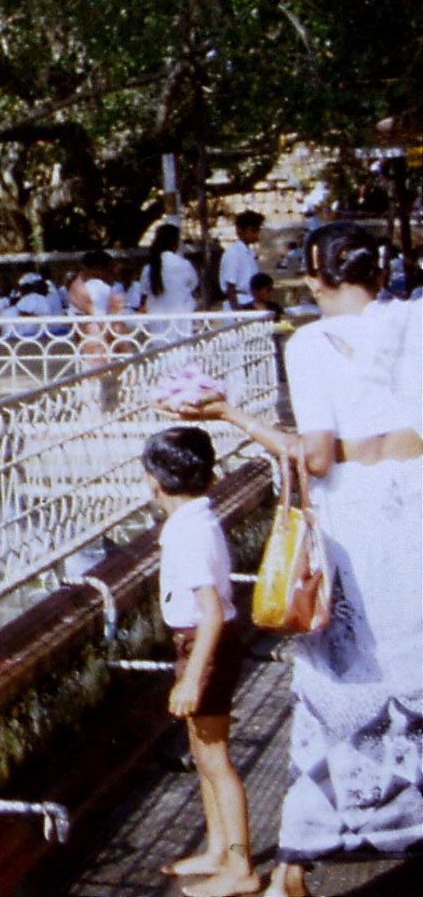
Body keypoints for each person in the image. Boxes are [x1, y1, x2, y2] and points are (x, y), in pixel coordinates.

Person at [173, 223, 422, 895]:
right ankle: (299, 858)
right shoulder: (417, 323)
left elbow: (310, 457)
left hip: (359, 524)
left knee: (338, 684)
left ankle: (300, 855)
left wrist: (230, 412)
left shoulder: (312, 344)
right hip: (417, 510)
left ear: (316, 278)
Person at [142, 426, 256, 897]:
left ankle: (241, 867)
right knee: (204, 755)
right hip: (198, 642)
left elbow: (210, 613)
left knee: (215, 760)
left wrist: (190, 679)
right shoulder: (196, 520)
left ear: (153, 480)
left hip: (203, 644)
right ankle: (218, 849)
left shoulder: (187, 533)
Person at [141, 222, 202, 339]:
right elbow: (193, 285)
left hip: (157, 321)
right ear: (175, 243)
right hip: (181, 320)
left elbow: (144, 294)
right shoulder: (184, 265)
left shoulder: (149, 268)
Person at [218, 211, 264, 311]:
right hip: (238, 303)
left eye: (257, 230)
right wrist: (237, 313)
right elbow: (230, 286)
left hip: (250, 301)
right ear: (239, 230)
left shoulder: (249, 253)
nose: (256, 234)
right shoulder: (233, 253)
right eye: (252, 231)